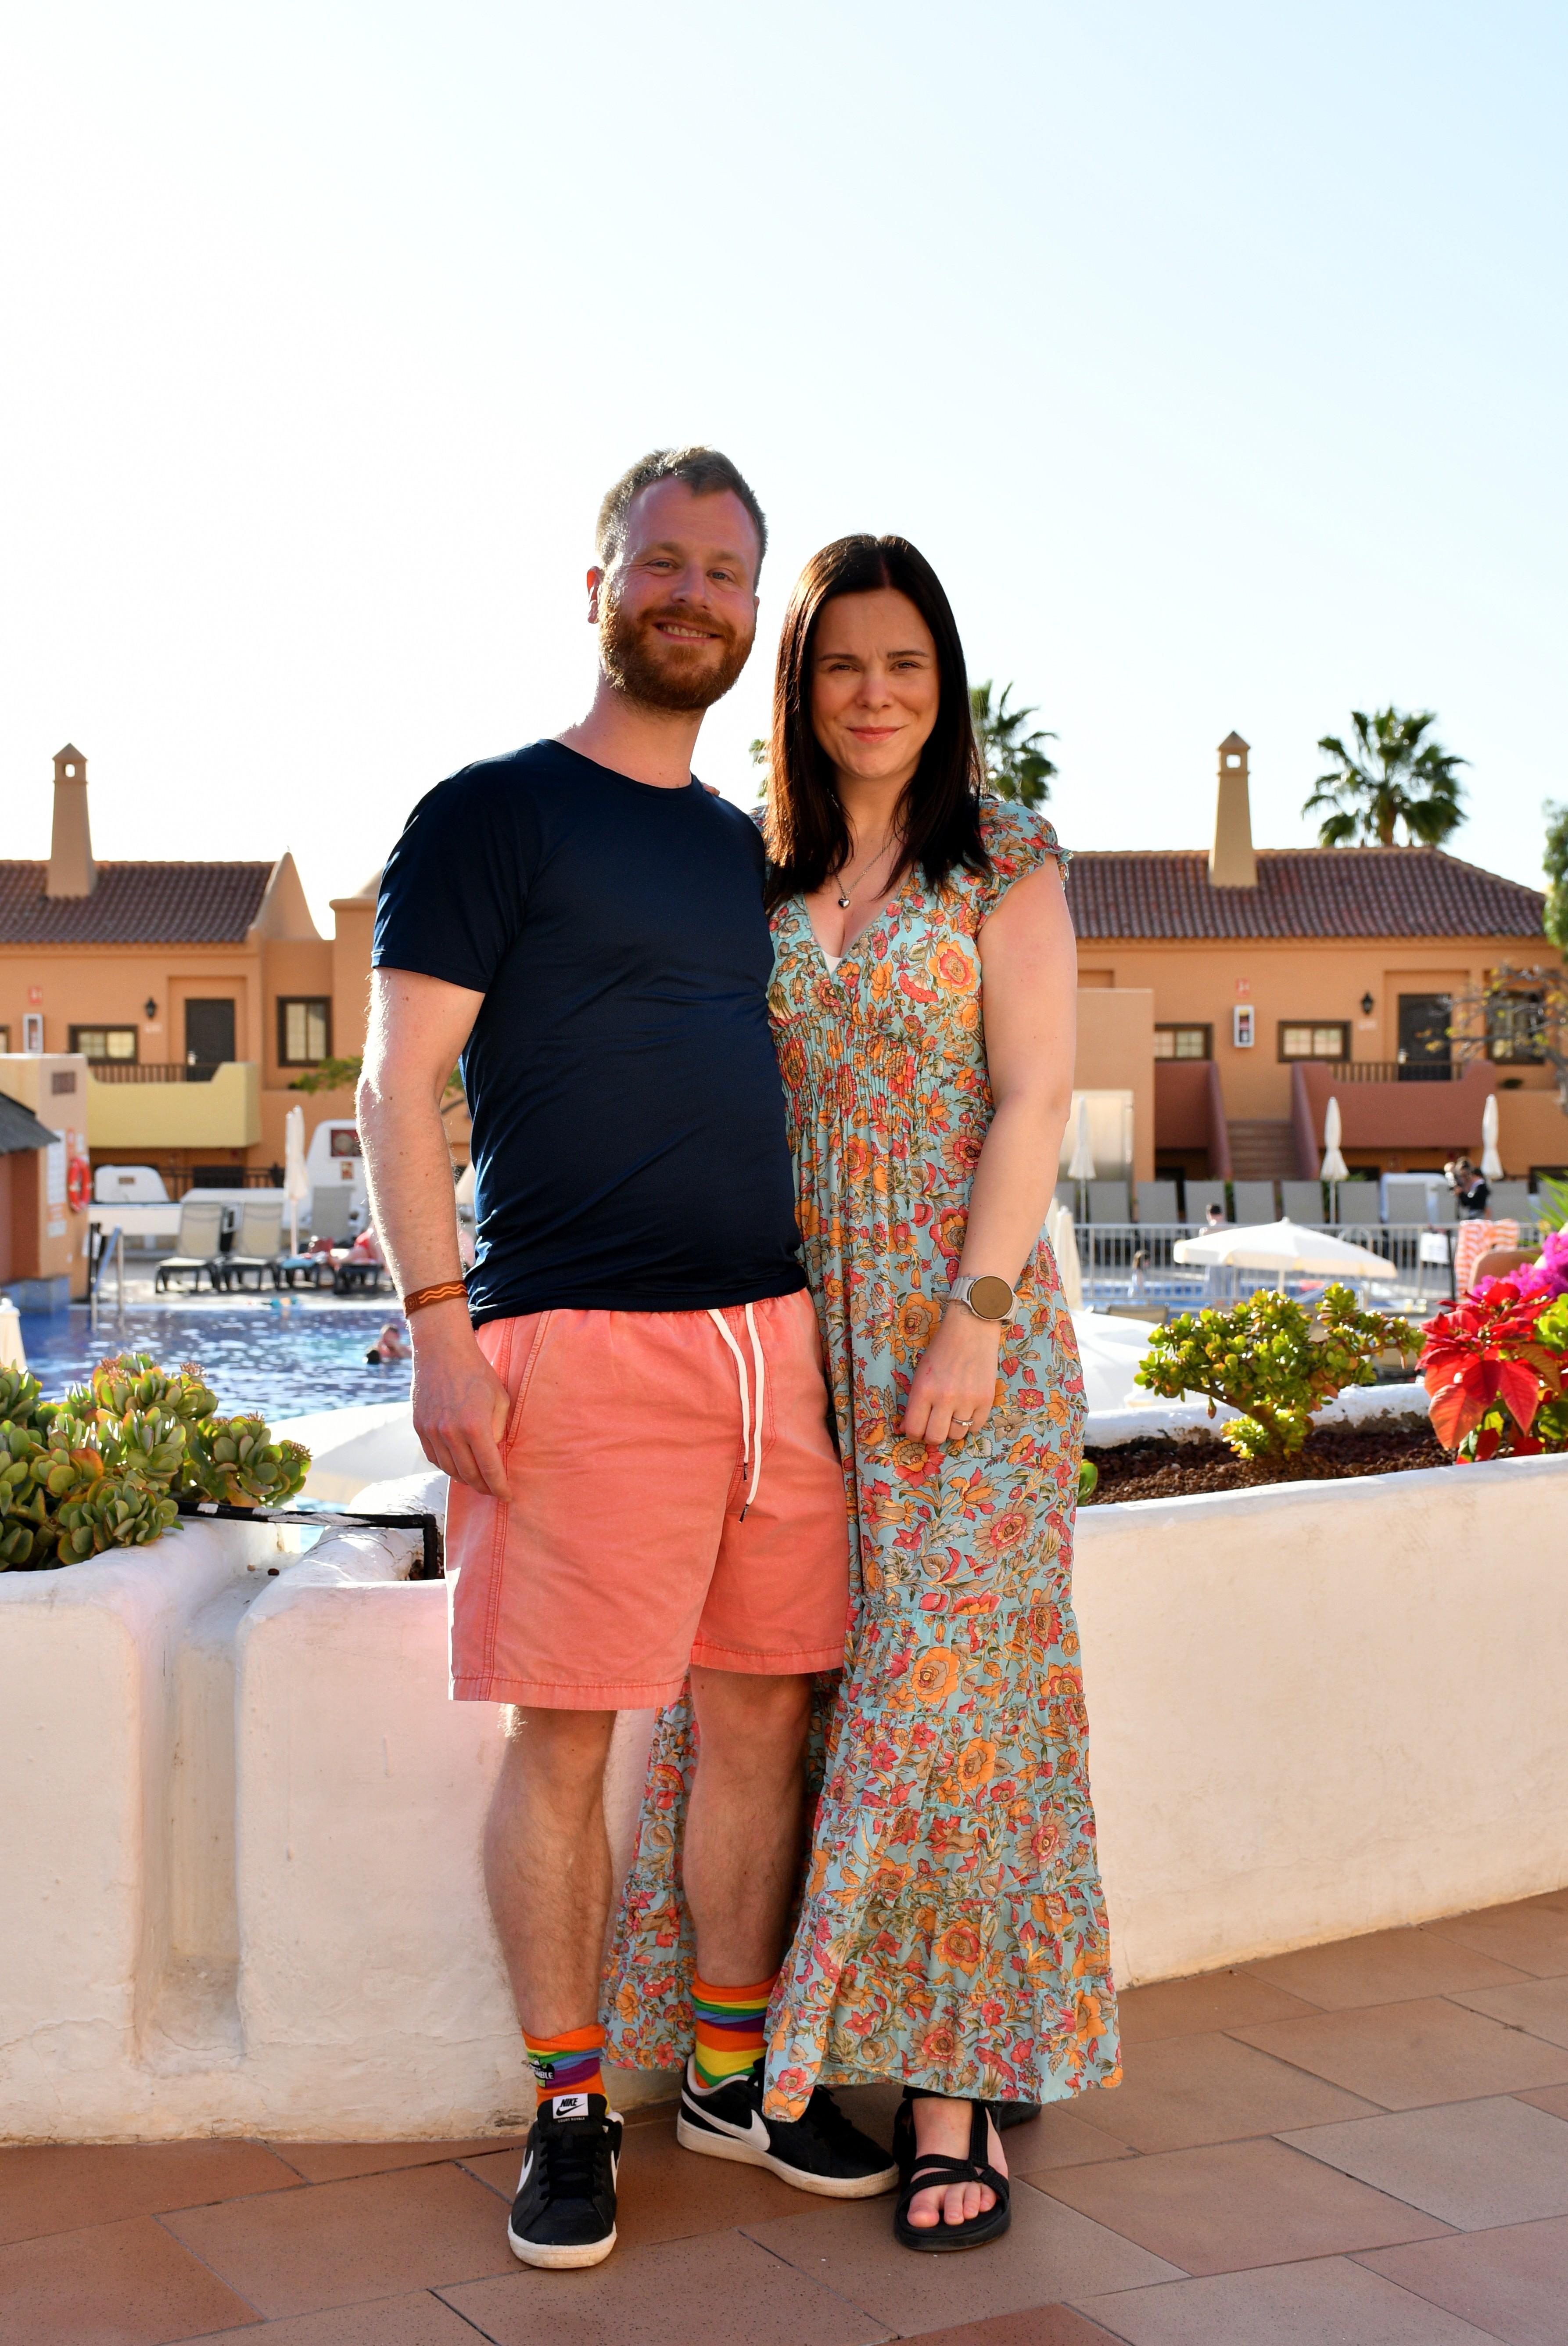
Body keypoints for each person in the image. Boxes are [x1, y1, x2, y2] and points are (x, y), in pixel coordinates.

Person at [358, 450, 894, 2272]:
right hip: (572, 1344)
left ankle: (734, 2074)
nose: (695, 596)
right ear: (598, 582)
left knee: (761, 1711)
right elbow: (397, 1084)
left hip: (772, 1343)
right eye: (664, 562)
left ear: (754, 612)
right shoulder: (489, 814)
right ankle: (572, 2106)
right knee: (566, 1732)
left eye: (728, 573)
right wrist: (443, 1331)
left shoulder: (747, 853)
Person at [606, 534, 1121, 2251]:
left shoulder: (1006, 857)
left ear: (945, 684)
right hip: (790, 1329)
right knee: (804, 1691)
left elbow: (1036, 1096)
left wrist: (973, 1318)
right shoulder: (754, 870)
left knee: (951, 1709)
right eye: (842, 663)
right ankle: (781, 2043)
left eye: (905, 663)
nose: (875, 692)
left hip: (966, 1336)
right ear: (802, 686)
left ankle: (955, 2094)